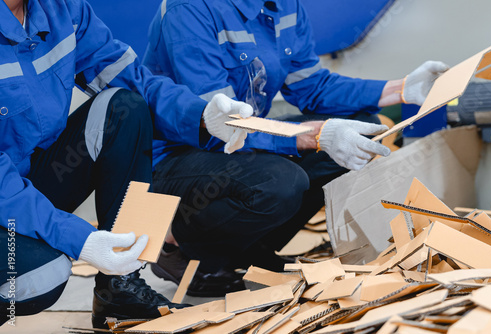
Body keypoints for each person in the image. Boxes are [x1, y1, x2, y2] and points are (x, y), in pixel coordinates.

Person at [142, 0, 449, 297]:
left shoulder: (284, 5)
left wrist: (400, 89)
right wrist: (313, 136)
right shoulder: (190, 9)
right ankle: (177, 244)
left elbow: (313, 87)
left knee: (361, 126)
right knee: (280, 181)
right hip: (179, 156)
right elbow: (220, 124)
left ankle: (249, 248)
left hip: (242, 141)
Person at [0, 0, 251, 328]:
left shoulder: (62, 9)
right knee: (39, 275)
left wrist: (200, 116)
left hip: (28, 180)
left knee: (126, 107)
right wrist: (80, 238)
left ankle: (121, 288)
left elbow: (130, 79)